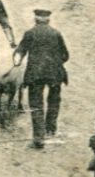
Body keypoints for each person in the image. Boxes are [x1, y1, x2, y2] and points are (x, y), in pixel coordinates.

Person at [14, 9, 70, 149]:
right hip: (55, 74)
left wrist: (17, 62)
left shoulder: (30, 33)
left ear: (35, 20)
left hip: (36, 74)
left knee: (36, 105)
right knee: (54, 101)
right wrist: (54, 63)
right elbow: (65, 55)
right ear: (48, 20)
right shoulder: (56, 33)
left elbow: (20, 51)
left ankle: (39, 138)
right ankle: (51, 130)